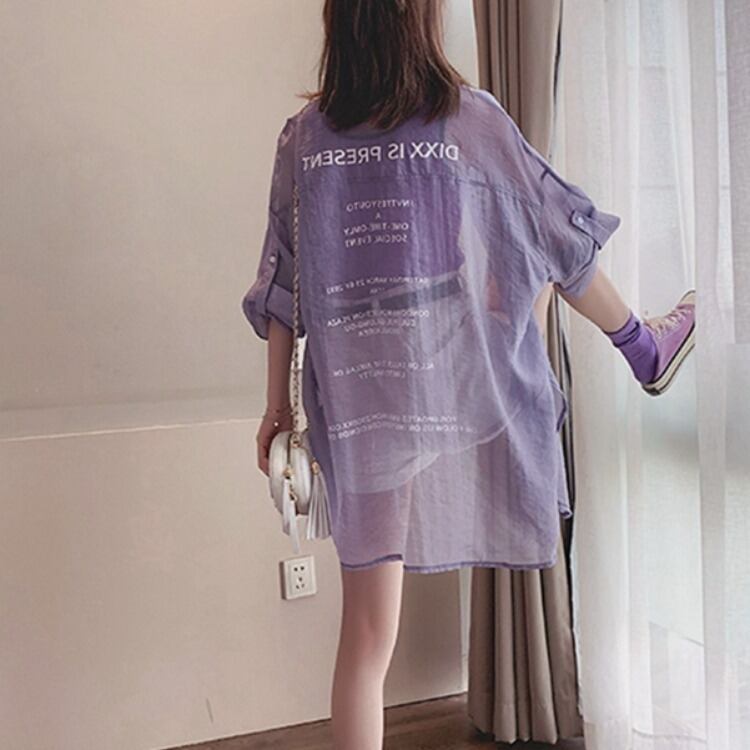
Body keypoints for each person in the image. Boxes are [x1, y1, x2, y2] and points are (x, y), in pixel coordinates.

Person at [240, 2, 696, 748]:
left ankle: (634, 342)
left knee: (365, 638)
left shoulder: (305, 137)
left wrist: (277, 411)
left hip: (360, 400)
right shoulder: (466, 117)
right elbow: (555, 223)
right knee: (535, 247)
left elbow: (283, 286)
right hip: (447, 376)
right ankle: (639, 341)